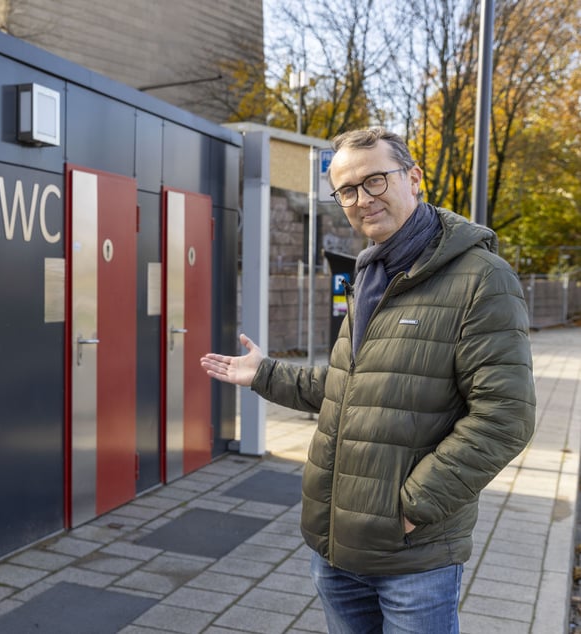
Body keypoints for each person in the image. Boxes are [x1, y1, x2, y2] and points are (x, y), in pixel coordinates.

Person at [200, 127, 535, 633]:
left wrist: (415, 506)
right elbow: (351, 386)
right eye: (347, 190)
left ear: (413, 178)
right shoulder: (372, 273)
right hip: (335, 547)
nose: (362, 200)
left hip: (412, 558)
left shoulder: (482, 277)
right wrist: (264, 374)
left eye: (375, 180)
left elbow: (506, 417)